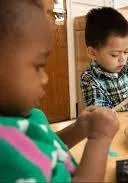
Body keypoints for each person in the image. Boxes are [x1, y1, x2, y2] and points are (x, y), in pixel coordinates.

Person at [0, 0, 119, 182]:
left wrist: (79, 129)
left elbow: (46, 147)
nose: (45, 78)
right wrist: (99, 139)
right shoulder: (5, 150)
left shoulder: (27, 115)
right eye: (38, 66)